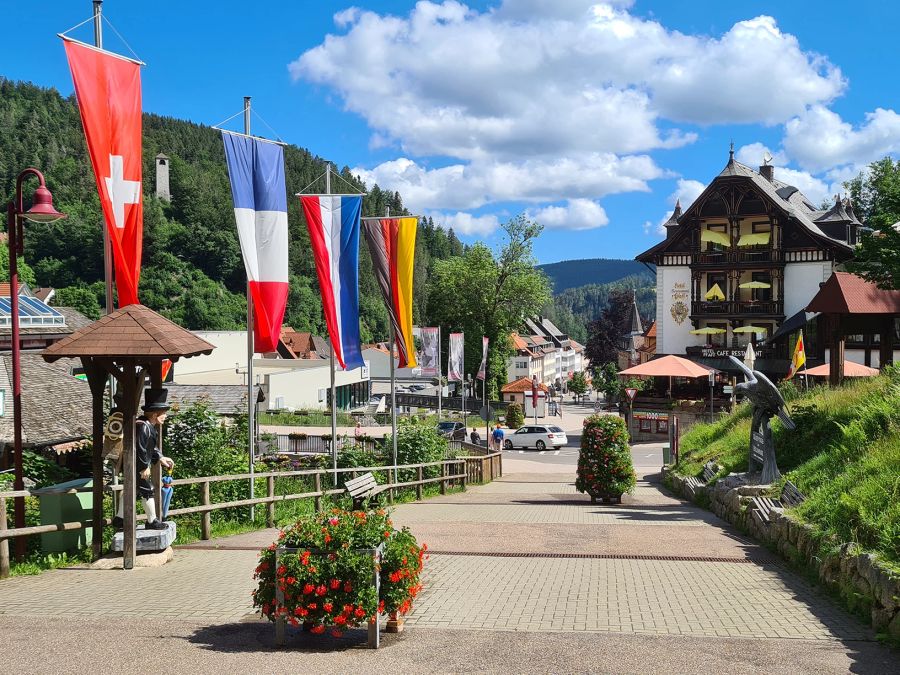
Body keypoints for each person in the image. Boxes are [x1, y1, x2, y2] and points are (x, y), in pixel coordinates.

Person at [112, 388, 175, 531]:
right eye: (163, 413)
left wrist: (160, 457)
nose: (165, 416)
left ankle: (120, 518)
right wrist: (143, 467)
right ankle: (152, 520)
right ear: (155, 414)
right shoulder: (143, 427)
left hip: (135, 465)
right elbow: (140, 449)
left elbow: (150, 448)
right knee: (148, 490)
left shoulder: (146, 425)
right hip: (136, 465)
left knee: (131, 490)